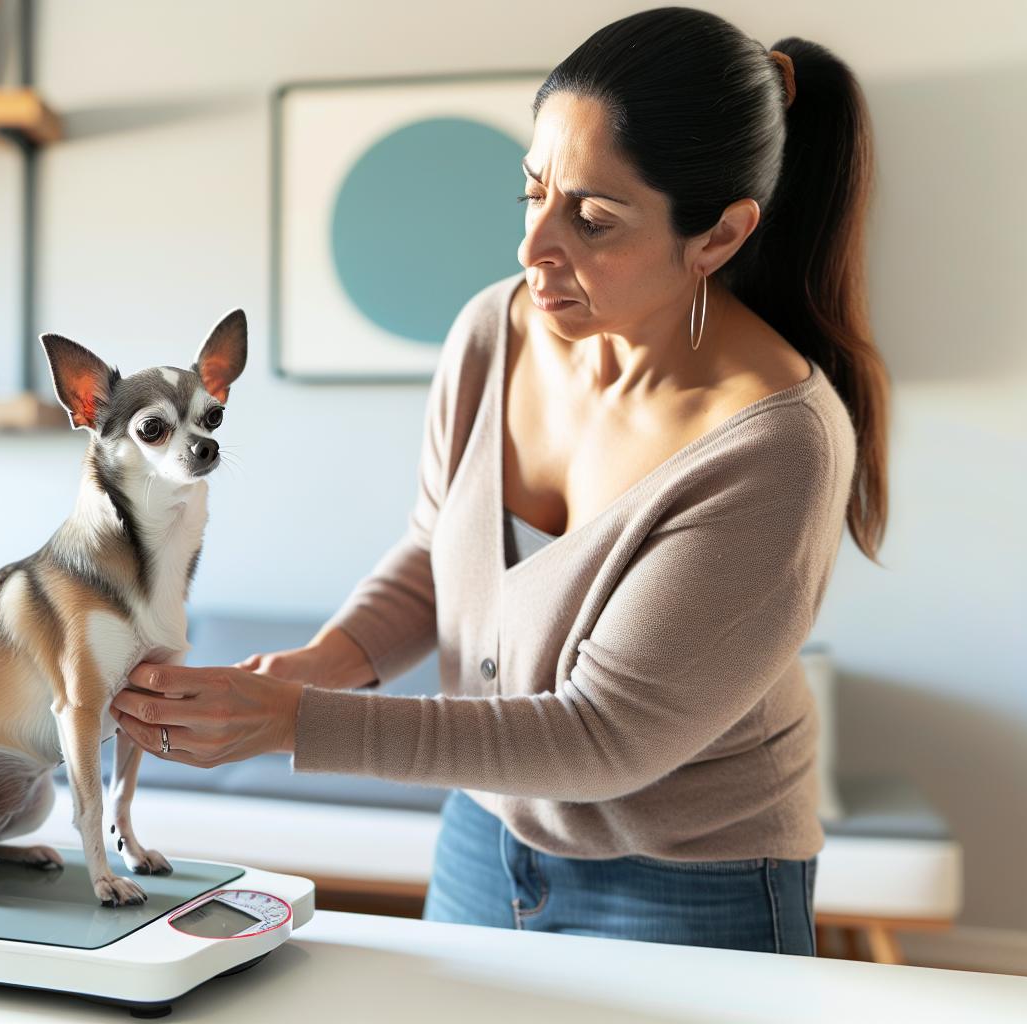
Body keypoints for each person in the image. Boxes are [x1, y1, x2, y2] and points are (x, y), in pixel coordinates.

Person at [110, 6, 890, 956]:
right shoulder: (496, 330)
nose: (535, 248)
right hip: (485, 835)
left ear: (719, 238)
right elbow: (441, 545)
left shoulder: (775, 449)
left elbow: (605, 738)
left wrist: (299, 722)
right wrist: (323, 663)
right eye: (534, 194)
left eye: (594, 219)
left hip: (690, 876)